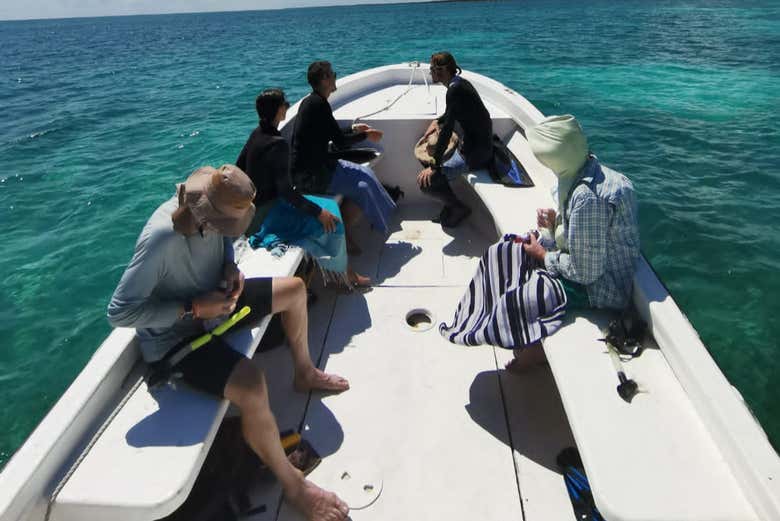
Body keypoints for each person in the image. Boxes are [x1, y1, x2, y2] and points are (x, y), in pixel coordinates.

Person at [107, 165, 350, 521]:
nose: (228, 230)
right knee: (252, 386)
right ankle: (294, 486)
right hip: (176, 339)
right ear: (204, 209)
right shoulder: (161, 238)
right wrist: (191, 308)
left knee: (295, 291)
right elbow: (119, 312)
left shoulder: (216, 214)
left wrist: (230, 272)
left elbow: (225, 246)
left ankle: (305, 372)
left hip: (218, 304)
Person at [514, 114, 641, 370]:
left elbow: (586, 271)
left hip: (601, 288)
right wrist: (554, 223)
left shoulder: (587, 198)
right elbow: (583, 234)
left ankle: (535, 355)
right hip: (589, 266)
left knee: (523, 297)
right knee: (513, 257)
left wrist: (542, 255)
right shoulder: (589, 169)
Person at [291, 60, 397, 284]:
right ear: (324, 80)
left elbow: (332, 132)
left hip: (318, 166)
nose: (335, 77)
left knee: (365, 176)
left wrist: (354, 130)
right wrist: (366, 136)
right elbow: (339, 142)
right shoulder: (317, 104)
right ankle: (380, 225)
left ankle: (384, 219)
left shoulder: (315, 102)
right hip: (312, 176)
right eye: (332, 74)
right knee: (363, 185)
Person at [236, 88, 340, 237]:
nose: (287, 106)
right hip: (267, 214)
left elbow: (239, 167)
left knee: (326, 209)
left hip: (251, 211)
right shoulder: (278, 144)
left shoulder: (256, 133)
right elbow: (286, 192)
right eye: (285, 103)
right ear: (279, 110)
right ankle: (340, 258)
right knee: (332, 219)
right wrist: (318, 213)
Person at [416, 51, 494, 227]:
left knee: (427, 182)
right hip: (475, 144)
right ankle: (449, 205)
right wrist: (437, 120)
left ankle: (458, 208)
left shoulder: (454, 90)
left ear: (440, 71)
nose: (430, 72)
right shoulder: (459, 84)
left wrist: (435, 165)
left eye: (431, 69)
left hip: (476, 153)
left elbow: (447, 130)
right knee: (427, 166)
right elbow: (452, 112)